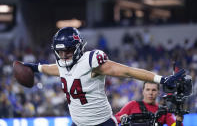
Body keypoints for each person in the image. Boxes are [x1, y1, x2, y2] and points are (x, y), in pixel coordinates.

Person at [22, 27, 186, 126]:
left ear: (78, 48)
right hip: (78, 123)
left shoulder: (90, 62)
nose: (64, 56)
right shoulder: (62, 65)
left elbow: (127, 71)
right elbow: (53, 69)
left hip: (101, 123)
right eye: (61, 52)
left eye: (68, 51)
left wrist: (161, 79)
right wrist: (35, 68)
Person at [115, 81, 183, 126]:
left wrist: (179, 121)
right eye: (148, 89)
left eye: (154, 90)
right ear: (143, 91)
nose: (150, 93)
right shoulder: (132, 105)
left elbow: (174, 124)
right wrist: (121, 118)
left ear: (158, 92)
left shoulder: (163, 111)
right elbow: (114, 119)